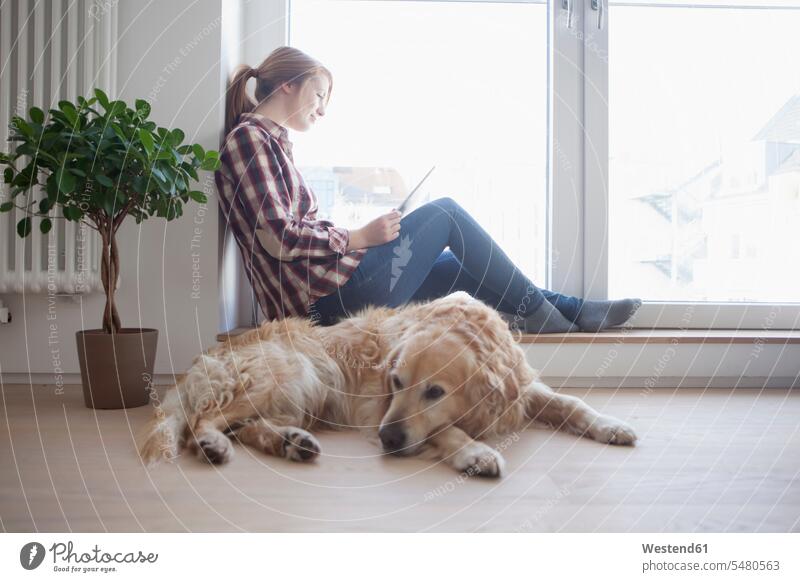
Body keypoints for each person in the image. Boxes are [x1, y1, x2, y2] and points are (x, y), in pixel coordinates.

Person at [215, 46, 641, 333]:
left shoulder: (271, 145)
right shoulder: (250, 139)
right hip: (327, 302)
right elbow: (277, 237)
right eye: (319, 94)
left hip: (335, 292)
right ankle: (547, 313)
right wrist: (360, 237)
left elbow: (285, 230)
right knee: (446, 214)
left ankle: (567, 310)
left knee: (457, 264)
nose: (323, 109)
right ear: (288, 84)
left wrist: (359, 243)